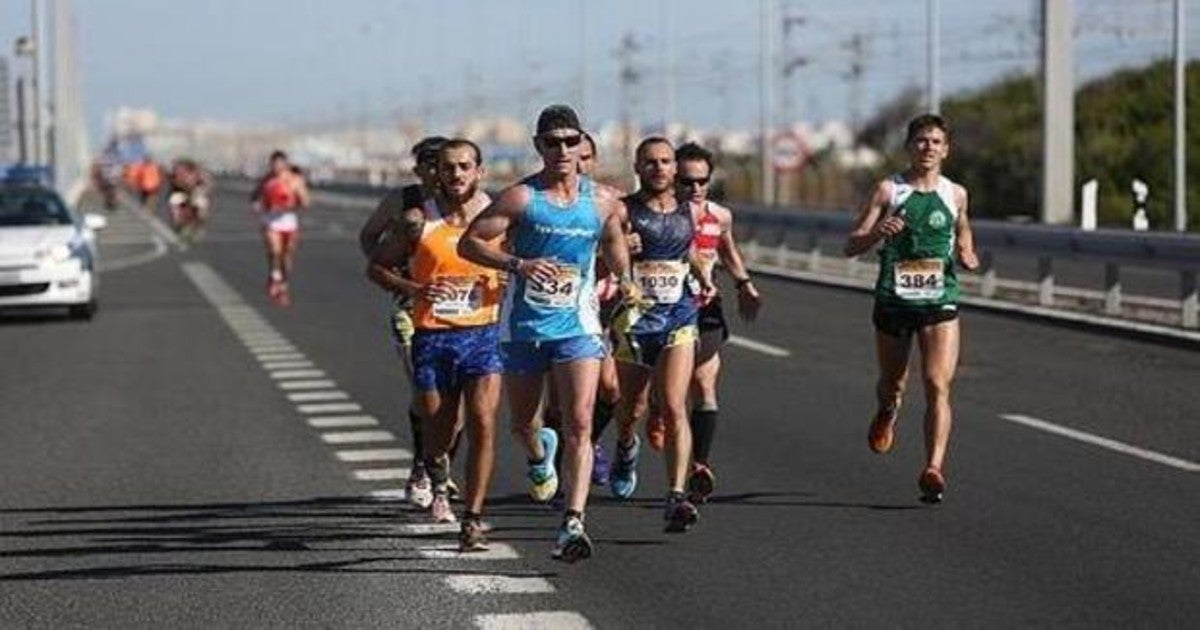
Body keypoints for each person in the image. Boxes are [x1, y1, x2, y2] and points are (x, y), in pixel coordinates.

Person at [458, 104, 639, 562]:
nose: (562, 149)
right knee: (522, 422)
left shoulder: (602, 201)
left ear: (582, 145)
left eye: (570, 141)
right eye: (552, 142)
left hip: (577, 324)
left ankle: (573, 523)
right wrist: (520, 264)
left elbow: (615, 241)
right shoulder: (521, 198)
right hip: (523, 326)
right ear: (539, 146)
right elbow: (471, 242)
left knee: (580, 421)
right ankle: (539, 455)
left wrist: (625, 278)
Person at [368, 139, 501, 551]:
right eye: (448, 168)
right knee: (439, 429)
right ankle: (437, 478)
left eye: (465, 166)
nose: (457, 174)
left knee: (482, 422)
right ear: (436, 174)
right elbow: (377, 267)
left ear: (479, 170)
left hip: (483, 334)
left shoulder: (498, 218)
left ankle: (473, 518)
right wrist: (415, 289)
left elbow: (523, 257)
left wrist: (514, 273)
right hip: (434, 336)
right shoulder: (417, 221)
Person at [843, 113, 979, 504]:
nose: (928, 148)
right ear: (909, 146)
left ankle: (933, 467)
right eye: (921, 141)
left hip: (940, 299)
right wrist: (875, 234)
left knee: (938, 384)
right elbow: (850, 245)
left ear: (946, 150)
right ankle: (887, 410)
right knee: (893, 384)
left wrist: (968, 251)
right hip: (894, 299)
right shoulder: (889, 191)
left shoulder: (956, 194)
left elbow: (963, 229)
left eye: (936, 142)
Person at [609, 137, 714, 533]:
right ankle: (625, 446)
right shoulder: (624, 210)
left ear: (675, 168)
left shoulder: (690, 209)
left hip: (679, 315)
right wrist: (623, 268)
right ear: (638, 168)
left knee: (674, 405)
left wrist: (703, 275)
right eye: (650, 162)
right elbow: (611, 248)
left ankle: (676, 496)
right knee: (632, 408)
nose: (658, 168)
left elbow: (687, 251)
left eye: (666, 162)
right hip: (635, 320)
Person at [360, 136, 448, 509]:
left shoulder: (466, 204)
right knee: (423, 390)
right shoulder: (405, 202)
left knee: (450, 399)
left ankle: (438, 464)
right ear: (418, 169)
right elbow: (369, 236)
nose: (435, 171)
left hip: (459, 314)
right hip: (410, 307)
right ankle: (421, 468)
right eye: (427, 163)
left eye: (440, 162)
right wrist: (395, 272)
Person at [674, 141, 762, 504]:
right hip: (660, 309)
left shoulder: (720, 216)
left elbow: (726, 248)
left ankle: (700, 466)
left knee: (704, 384)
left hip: (706, 307)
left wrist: (744, 282)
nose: (695, 189)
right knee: (656, 398)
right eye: (687, 181)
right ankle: (635, 432)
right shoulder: (655, 214)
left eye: (701, 181)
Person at [251, 150, 310, 306]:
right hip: (271, 221)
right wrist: (258, 204)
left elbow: (306, 201)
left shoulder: (295, 180)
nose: (276, 167)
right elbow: (254, 196)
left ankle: (283, 283)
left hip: (289, 221)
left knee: (286, 256)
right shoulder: (266, 180)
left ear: (285, 164)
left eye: (279, 164)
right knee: (275, 251)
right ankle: (274, 276)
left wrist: (293, 202)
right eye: (273, 164)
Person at [167, 158, 213, 241]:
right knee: (176, 210)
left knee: (201, 211)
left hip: (196, 193)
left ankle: (198, 227)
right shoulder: (177, 173)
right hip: (181, 192)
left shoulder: (200, 174)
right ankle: (181, 227)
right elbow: (174, 184)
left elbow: (208, 184)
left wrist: (202, 190)